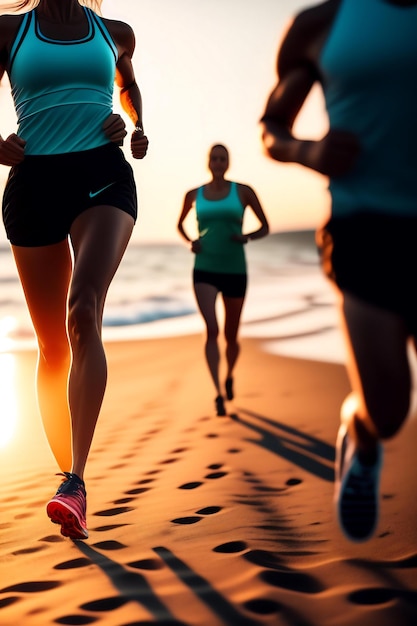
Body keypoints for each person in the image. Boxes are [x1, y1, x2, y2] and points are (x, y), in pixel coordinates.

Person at [260, 0, 417, 542]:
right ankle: (363, 433)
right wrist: (309, 149)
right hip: (368, 230)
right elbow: (272, 127)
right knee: (389, 410)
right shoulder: (320, 25)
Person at [0, 0, 148, 540]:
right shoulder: (10, 31)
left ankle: (76, 482)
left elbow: (128, 87)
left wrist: (133, 123)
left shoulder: (114, 31)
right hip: (33, 183)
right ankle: (67, 476)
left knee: (83, 310)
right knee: (51, 347)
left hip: (102, 173)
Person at [177, 144, 269, 416]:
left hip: (235, 269)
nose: (218, 162)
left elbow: (265, 226)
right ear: (208, 162)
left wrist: (247, 237)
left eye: (223, 158)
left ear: (228, 162)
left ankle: (229, 375)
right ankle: (217, 392)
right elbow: (179, 225)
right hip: (204, 268)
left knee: (231, 335)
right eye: (214, 158)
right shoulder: (194, 195)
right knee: (212, 330)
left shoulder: (243, 191)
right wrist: (190, 242)